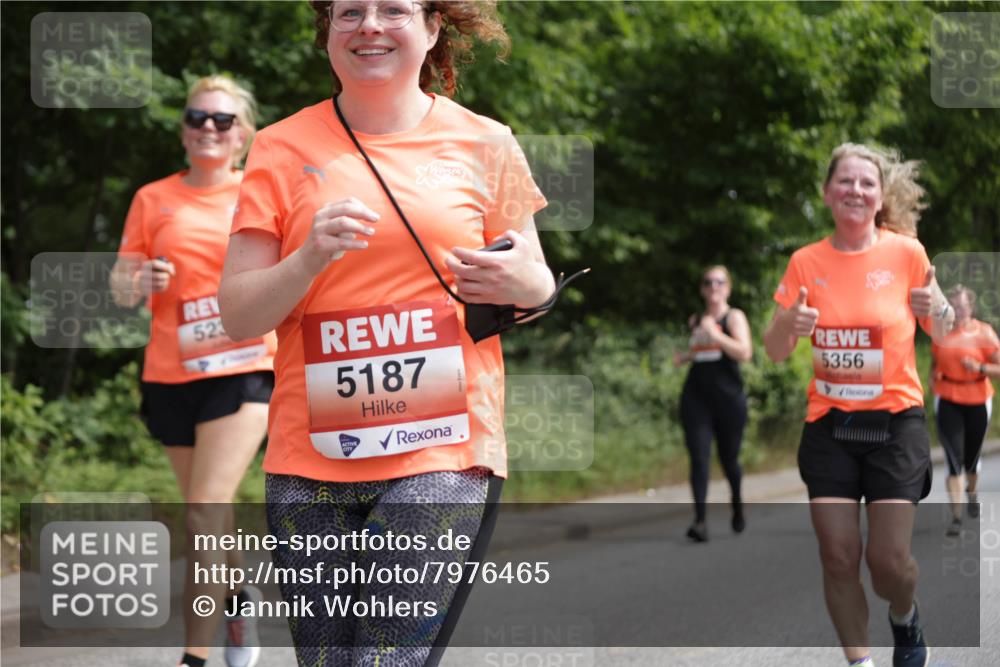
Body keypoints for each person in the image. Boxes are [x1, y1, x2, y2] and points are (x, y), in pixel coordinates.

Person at [217, 2, 555, 665]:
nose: (369, 24)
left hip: (443, 450)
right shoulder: (280, 146)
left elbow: (537, 285)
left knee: (385, 660)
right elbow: (238, 313)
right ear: (328, 34)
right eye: (349, 12)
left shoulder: (487, 143)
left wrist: (528, 284)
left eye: (393, 9)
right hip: (308, 455)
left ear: (433, 29)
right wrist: (309, 255)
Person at [763, 142, 954, 667]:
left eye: (866, 183)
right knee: (838, 556)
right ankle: (860, 662)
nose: (855, 190)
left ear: (879, 196)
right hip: (829, 426)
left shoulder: (906, 252)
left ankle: (905, 615)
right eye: (844, 181)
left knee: (888, 563)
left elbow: (943, 332)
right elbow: (776, 352)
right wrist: (788, 325)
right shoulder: (806, 262)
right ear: (827, 194)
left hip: (896, 424)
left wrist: (934, 306)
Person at [111, 75, 276, 667]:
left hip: (245, 365)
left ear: (243, 134)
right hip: (170, 375)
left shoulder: (258, 191)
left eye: (223, 120)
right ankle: (238, 599)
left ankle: (194, 657)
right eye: (198, 117)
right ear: (183, 129)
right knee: (213, 516)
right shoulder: (153, 198)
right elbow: (122, 286)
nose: (209, 127)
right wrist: (137, 280)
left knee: (204, 511)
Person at [672, 265, 752, 542]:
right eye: (708, 282)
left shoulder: (734, 317)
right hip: (696, 398)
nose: (714, 287)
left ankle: (738, 506)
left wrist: (715, 333)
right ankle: (700, 521)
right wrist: (685, 357)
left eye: (719, 282)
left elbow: (744, 352)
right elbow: (702, 354)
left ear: (727, 288)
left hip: (729, 400)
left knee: (729, 459)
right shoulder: (697, 320)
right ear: (702, 289)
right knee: (699, 458)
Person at [931, 284, 999, 536]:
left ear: (971, 306)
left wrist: (980, 367)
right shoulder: (941, 332)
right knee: (953, 458)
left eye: (962, 306)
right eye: (953, 307)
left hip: (978, 398)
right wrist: (932, 378)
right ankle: (956, 518)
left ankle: (972, 492)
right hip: (948, 398)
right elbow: (936, 362)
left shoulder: (985, 332)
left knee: (972, 458)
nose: (958, 311)